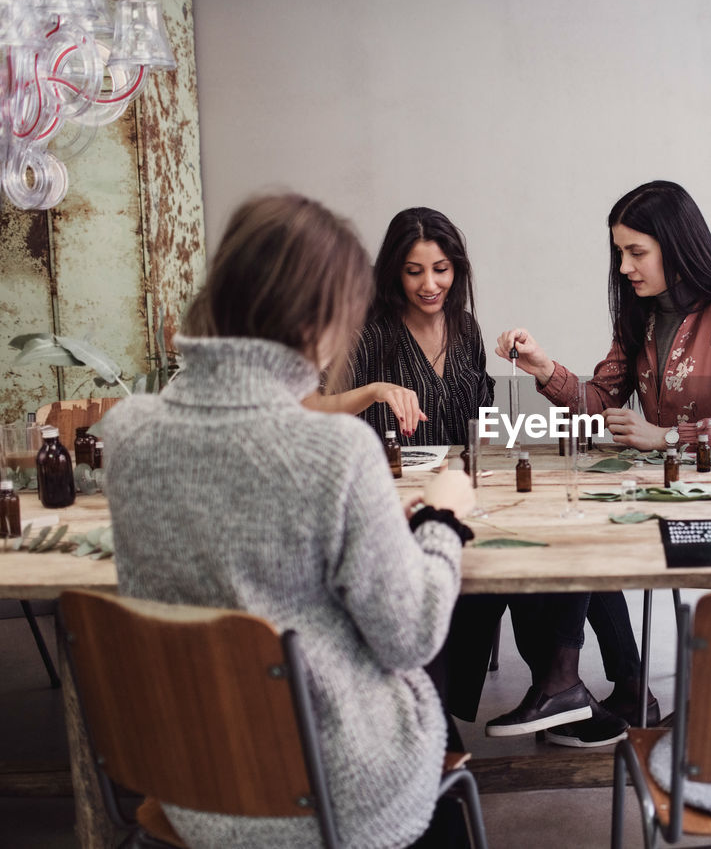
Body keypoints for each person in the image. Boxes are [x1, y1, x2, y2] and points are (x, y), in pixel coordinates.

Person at [100, 193, 475, 849]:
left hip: (195, 780)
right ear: (320, 320)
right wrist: (443, 518)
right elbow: (410, 635)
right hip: (329, 791)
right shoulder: (335, 451)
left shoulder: (127, 433)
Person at [494, 179, 711, 743]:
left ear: (676, 246)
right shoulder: (642, 319)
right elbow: (601, 404)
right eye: (619, 252)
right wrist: (541, 366)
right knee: (572, 521)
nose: (625, 267)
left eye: (637, 251)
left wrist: (664, 438)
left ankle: (573, 683)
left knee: (582, 526)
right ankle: (603, 687)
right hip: (658, 496)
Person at [305, 206, 494, 444]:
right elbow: (310, 408)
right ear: (396, 273)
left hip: (460, 478)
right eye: (414, 272)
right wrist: (374, 391)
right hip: (390, 479)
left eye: (441, 269)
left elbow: (484, 412)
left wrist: (481, 464)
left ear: (456, 268)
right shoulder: (366, 334)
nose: (429, 285)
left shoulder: (466, 328)